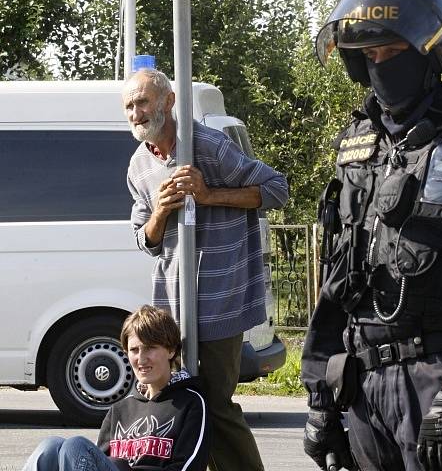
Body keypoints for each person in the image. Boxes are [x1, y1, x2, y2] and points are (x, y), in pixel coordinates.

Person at [301, 0, 442, 471]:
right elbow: (338, 279)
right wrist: (321, 395)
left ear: (430, 54)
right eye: (368, 57)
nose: (379, 67)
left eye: (391, 53)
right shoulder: (358, 147)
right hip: (364, 390)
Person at [122, 68, 289, 471]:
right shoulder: (139, 165)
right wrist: (161, 210)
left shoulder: (208, 146)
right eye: (129, 105)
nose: (135, 113)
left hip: (221, 302)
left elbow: (276, 189)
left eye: (142, 101)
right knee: (179, 401)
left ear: (168, 102)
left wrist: (209, 193)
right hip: (172, 309)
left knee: (215, 403)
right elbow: (144, 239)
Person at [22, 305, 209, 471]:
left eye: (150, 348)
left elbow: (189, 466)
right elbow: (98, 459)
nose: (141, 359)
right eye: (134, 350)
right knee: (50, 446)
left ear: (171, 350)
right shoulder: (120, 409)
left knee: (75, 446)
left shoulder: (190, 402)